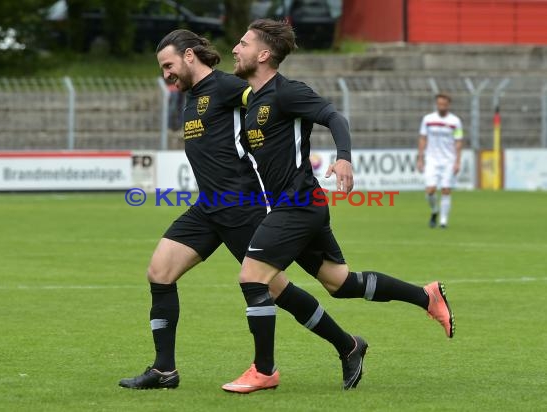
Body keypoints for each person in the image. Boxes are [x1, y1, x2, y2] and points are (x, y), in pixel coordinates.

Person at [119, 29, 365, 391]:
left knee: (276, 289)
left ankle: (347, 345)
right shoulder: (189, 97)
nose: (166, 74)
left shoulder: (229, 87)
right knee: (159, 272)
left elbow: (273, 103)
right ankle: (163, 370)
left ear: (189, 57)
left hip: (242, 206)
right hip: (208, 207)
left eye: (168, 65)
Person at [223, 19, 456, 394]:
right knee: (339, 283)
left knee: (253, 277)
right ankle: (420, 298)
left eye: (243, 43)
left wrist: (343, 157)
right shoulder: (251, 101)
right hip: (297, 205)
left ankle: (263, 370)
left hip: (298, 204)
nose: (235, 49)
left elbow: (334, 117)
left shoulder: (286, 92)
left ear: (264, 54)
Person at [416, 93, 464, 228]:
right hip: (431, 159)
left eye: (444, 104)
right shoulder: (428, 119)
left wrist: (458, 161)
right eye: (439, 104)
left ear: (448, 105)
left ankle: (443, 221)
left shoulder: (455, 121)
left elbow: (458, 141)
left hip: (449, 160)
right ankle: (434, 210)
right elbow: (423, 138)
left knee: (446, 189)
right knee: (430, 190)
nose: (441, 106)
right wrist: (420, 158)